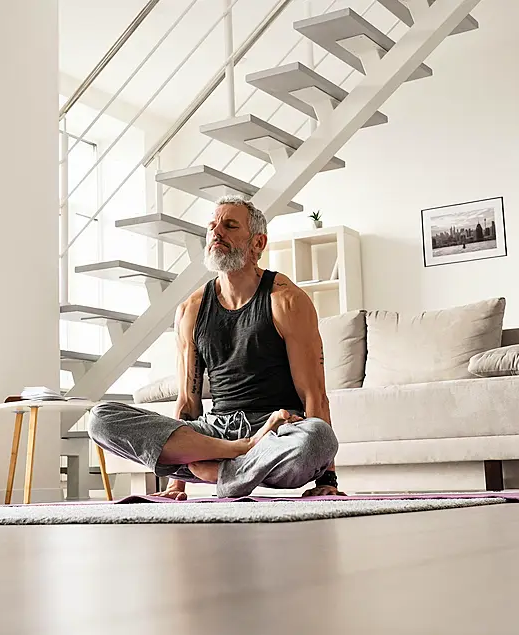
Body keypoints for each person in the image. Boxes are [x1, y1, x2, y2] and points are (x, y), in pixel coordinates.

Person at [87, 195, 344, 500]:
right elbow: (188, 403)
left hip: (276, 434)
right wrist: (175, 486)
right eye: (212, 226)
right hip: (214, 437)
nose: (216, 232)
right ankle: (238, 458)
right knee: (100, 419)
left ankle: (225, 471)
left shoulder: (285, 300)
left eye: (230, 225)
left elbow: (313, 394)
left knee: (318, 436)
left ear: (258, 243)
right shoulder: (191, 309)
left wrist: (327, 479)